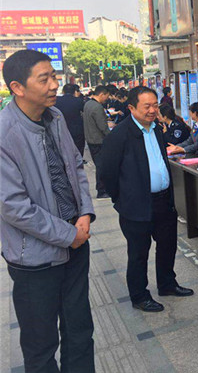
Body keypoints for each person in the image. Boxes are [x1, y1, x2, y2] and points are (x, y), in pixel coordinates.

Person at [0, 50, 95, 372]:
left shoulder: (55, 118)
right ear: (18, 87)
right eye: (45, 79)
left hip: (76, 245)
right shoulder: (4, 133)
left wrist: (85, 213)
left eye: (54, 76)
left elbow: (76, 166)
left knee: (80, 332)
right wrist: (69, 235)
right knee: (40, 346)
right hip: (35, 260)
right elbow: (13, 206)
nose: (55, 84)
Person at [100, 86, 194, 312]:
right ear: (132, 108)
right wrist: (122, 198)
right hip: (136, 205)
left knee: (167, 245)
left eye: (155, 105)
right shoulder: (120, 135)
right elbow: (107, 173)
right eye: (147, 106)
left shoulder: (157, 129)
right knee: (139, 253)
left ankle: (167, 283)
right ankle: (140, 295)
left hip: (163, 201)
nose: (153, 110)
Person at [83, 85, 111, 198]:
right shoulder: (97, 107)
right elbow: (103, 126)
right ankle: (102, 190)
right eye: (106, 97)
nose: (107, 99)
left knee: (99, 165)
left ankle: (102, 189)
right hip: (99, 141)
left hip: (91, 139)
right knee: (101, 166)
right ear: (102, 94)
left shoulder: (88, 104)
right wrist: (111, 137)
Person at [55, 83, 86, 157]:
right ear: (74, 92)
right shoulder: (79, 101)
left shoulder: (57, 101)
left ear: (63, 91)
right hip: (77, 131)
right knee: (78, 150)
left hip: (62, 129)